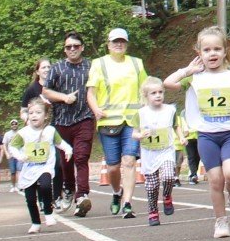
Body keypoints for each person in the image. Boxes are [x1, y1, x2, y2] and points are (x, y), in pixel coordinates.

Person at [163, 27, 230, 239]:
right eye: (207, 50)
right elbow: (168, 83)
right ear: (199, 53)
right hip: (206, 136)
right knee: (215, 180)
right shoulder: (195, 78)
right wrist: (187, 70)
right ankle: (220, 221)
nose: (212, 54)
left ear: (225, 51)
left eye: (217, 49)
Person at [88, 27, 147, 219]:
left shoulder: (137, 64)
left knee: (129, 161)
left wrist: (147, 111)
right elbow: (91, 92)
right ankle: (116, 192)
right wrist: (96, 109)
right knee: (113, 166)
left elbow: (146, 88)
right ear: (108, 45)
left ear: (127, 44)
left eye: (122, 41)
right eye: (115, 42)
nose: (119, 44)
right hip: (108, 121)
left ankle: (127, 202)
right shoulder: (99, 64)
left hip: (131, 120)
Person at [42, 33, 93, 215]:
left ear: (82, 47)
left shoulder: (91, 67)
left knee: (81, 157)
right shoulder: (57, 68)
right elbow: (46, 91)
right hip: (62, 121)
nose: (72, 49)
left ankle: (82, 196)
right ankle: (69, 189)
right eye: (68, 47)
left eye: (76, 46)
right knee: (66, 160)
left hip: (84, 118)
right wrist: (64, 98)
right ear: (64, 49)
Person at [11, 99, 70, 235]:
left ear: (45, 116)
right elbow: (13, 146)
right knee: (30, 198)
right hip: (29, 168)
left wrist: (68, 150)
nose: (34, 115)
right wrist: (20, 156)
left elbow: (60, 143)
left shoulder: (50, 131)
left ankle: (48, 213)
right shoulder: (23, 132)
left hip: (45, 166)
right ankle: (35, 223)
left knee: (45, 185)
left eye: (38, 112)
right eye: (31, 113)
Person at [132, 77, 179, 227]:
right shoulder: (141, 113)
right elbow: (134, 133)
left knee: (168, 176)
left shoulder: (170, 110)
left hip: (166, 150)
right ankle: (153, 211)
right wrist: (139, 136)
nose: (158, 95)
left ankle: (167, 195)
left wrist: (182, 137)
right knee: (151, 185)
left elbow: (176, 126)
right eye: (153, 93)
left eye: (160, 92)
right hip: (149, 153)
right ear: (146, 96)